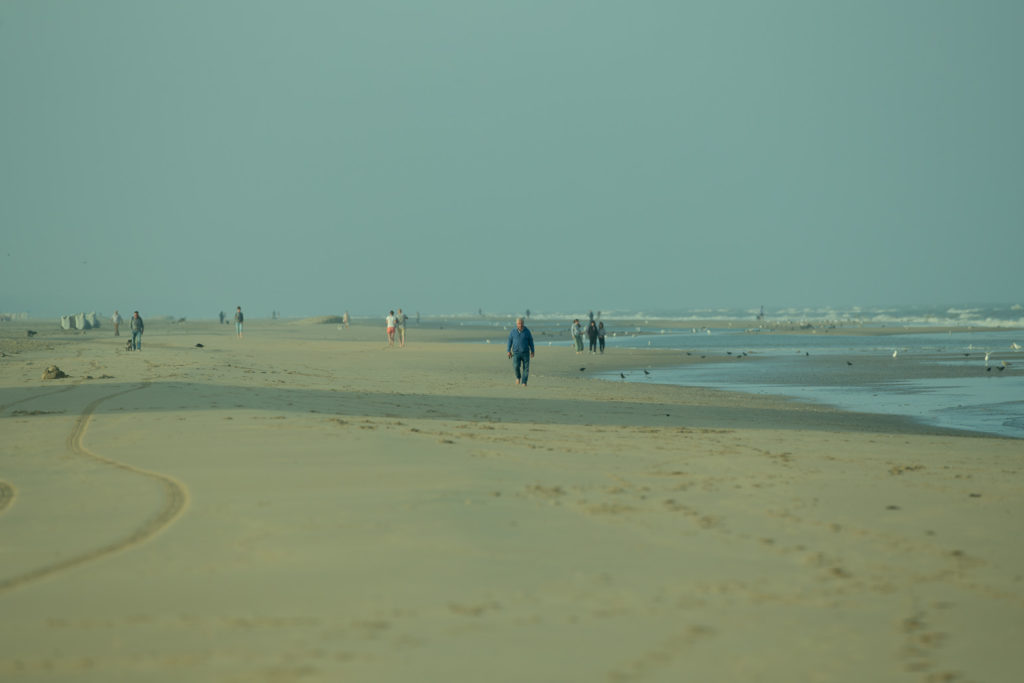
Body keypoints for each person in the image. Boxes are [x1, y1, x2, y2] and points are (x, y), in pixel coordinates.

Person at [506, 317, 535, 386]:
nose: (520, 325)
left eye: (521, 323)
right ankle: (518, 377)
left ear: (523, 323)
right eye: (519, 323)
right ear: (517, 324)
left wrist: (532, 351)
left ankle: (524, 382)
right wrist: (508, 350)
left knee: (526, 369)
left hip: (525, 353)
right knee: (516, 366)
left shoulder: (527, 331)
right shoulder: (513, 331)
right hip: (516, 353)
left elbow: (531, 341)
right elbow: (510, 341)